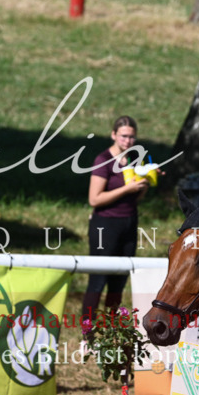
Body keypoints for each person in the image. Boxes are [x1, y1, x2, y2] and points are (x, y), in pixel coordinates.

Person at [81, 116, 148, 331]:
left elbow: (135, 198)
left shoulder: (134, 160)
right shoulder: (103, 160)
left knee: (119, 282)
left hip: (128, 223)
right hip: (105, 225)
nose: (128, 141)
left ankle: (111, 332)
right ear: (113, 135)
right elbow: (94, 199)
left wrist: (144, 183)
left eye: (132, 137)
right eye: (123, 136)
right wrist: (126, 189)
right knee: (97, 281)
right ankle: (87, 332)